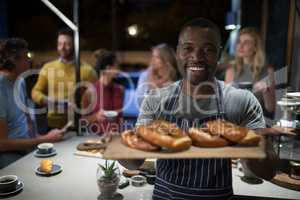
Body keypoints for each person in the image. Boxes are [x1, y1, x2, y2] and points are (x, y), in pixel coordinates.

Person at [119, 18, 278, 200]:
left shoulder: (241, 101)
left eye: (208, 49)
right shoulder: (156, 100)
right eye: (188, 48)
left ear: (218, 55)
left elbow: (269, 171)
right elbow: (134, 162)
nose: (197, 56)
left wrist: (254, 153)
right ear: (178, 52)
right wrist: (122, 148)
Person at [0, 38, 65, 169]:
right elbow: (2, 143)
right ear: (13, 61)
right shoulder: (1, 87)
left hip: (28, 145)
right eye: (26, 57)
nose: (29, 61)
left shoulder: (21, 81)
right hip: (9, 153)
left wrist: (39, 137)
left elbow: (26, 117)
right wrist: (44, 139)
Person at [31, 28, 97, 129]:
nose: (62, 47)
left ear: (75, 46)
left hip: (78, 124)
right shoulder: (48, 67)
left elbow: (97, 97)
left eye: (67, 44)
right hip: (53, 125)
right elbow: (35, 92)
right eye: (59, 43)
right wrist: (47, 100)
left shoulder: (88, 71)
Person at [225, 27, 276, 120]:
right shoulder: (231, 71)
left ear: (255, 47)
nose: (241, 46)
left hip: (258, 122)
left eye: (246, 42)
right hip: (236, 122)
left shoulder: (268, 71)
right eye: (239, 42)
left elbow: (271, 108)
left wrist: (266, 91)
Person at [81, 49, 124, 135]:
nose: (119, 69)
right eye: (117, 66)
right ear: (108, 68)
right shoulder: (90, 92)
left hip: (116, 137)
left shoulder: (120, 89)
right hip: (97, 138)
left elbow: (120, 118)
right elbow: (82, 121)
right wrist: (95, 117)